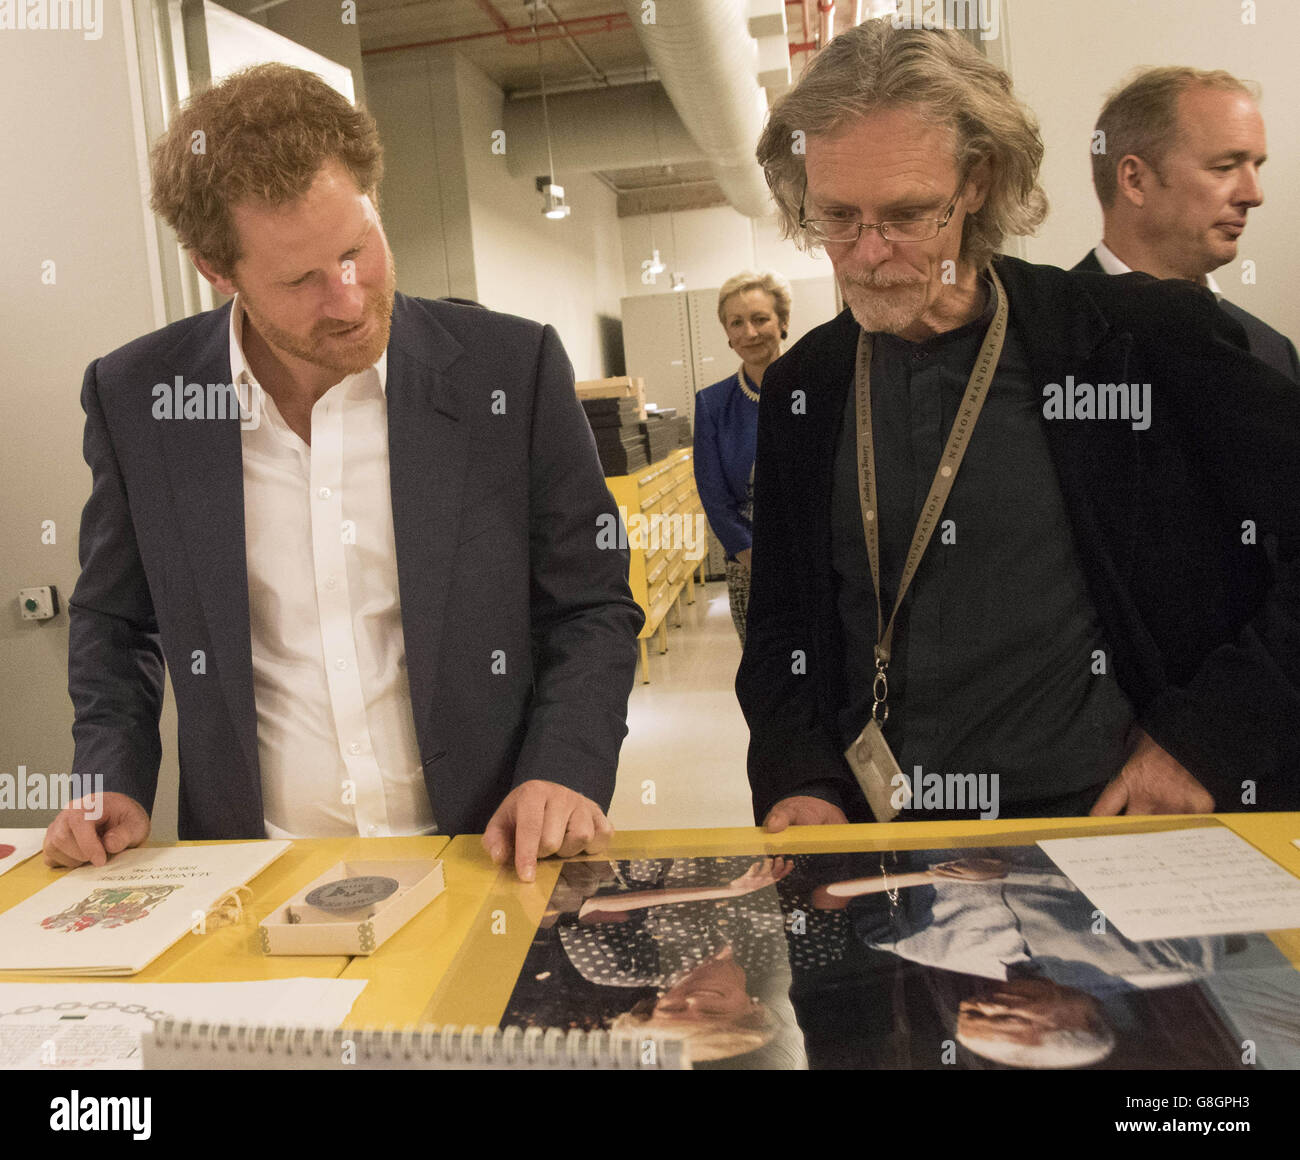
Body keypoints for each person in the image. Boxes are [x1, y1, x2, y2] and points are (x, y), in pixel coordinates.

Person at [44, 63, 644, 882]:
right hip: (255, 881)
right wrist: (108, 774)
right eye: (301, 280)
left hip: (489, 857)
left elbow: (592, 603)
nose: (351, 300)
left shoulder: (510, 369)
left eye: (358, 249)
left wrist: (565, 766)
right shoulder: (140, 397)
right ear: (216, 271)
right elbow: (115, 620)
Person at [737, 19, 1300, 830]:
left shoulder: (1136, 342)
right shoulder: (808, 384)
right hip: (882, 846)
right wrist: (801, 777)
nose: (866, 252)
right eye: (835, 215)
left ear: (977, 181)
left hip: (1103, 835)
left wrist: (1205, 743)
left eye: (906, 213)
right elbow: (782, 622)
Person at [1075, 66, 1298, 381]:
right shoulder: (1043, 336)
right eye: (1224, 167)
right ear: (1135, 180)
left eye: (1256, 166)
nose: (1254, 195)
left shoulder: (1271, 351)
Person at [692, 271, 793, 643]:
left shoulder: (818, 389)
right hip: (749, 569)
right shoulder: (713, 404)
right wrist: (756, 561)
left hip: (820, 560)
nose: (750, 332)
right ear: (728, 336)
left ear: (783, 323)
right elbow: (714, 497)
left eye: (760, 318)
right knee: (766, 675)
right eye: (737, 323)